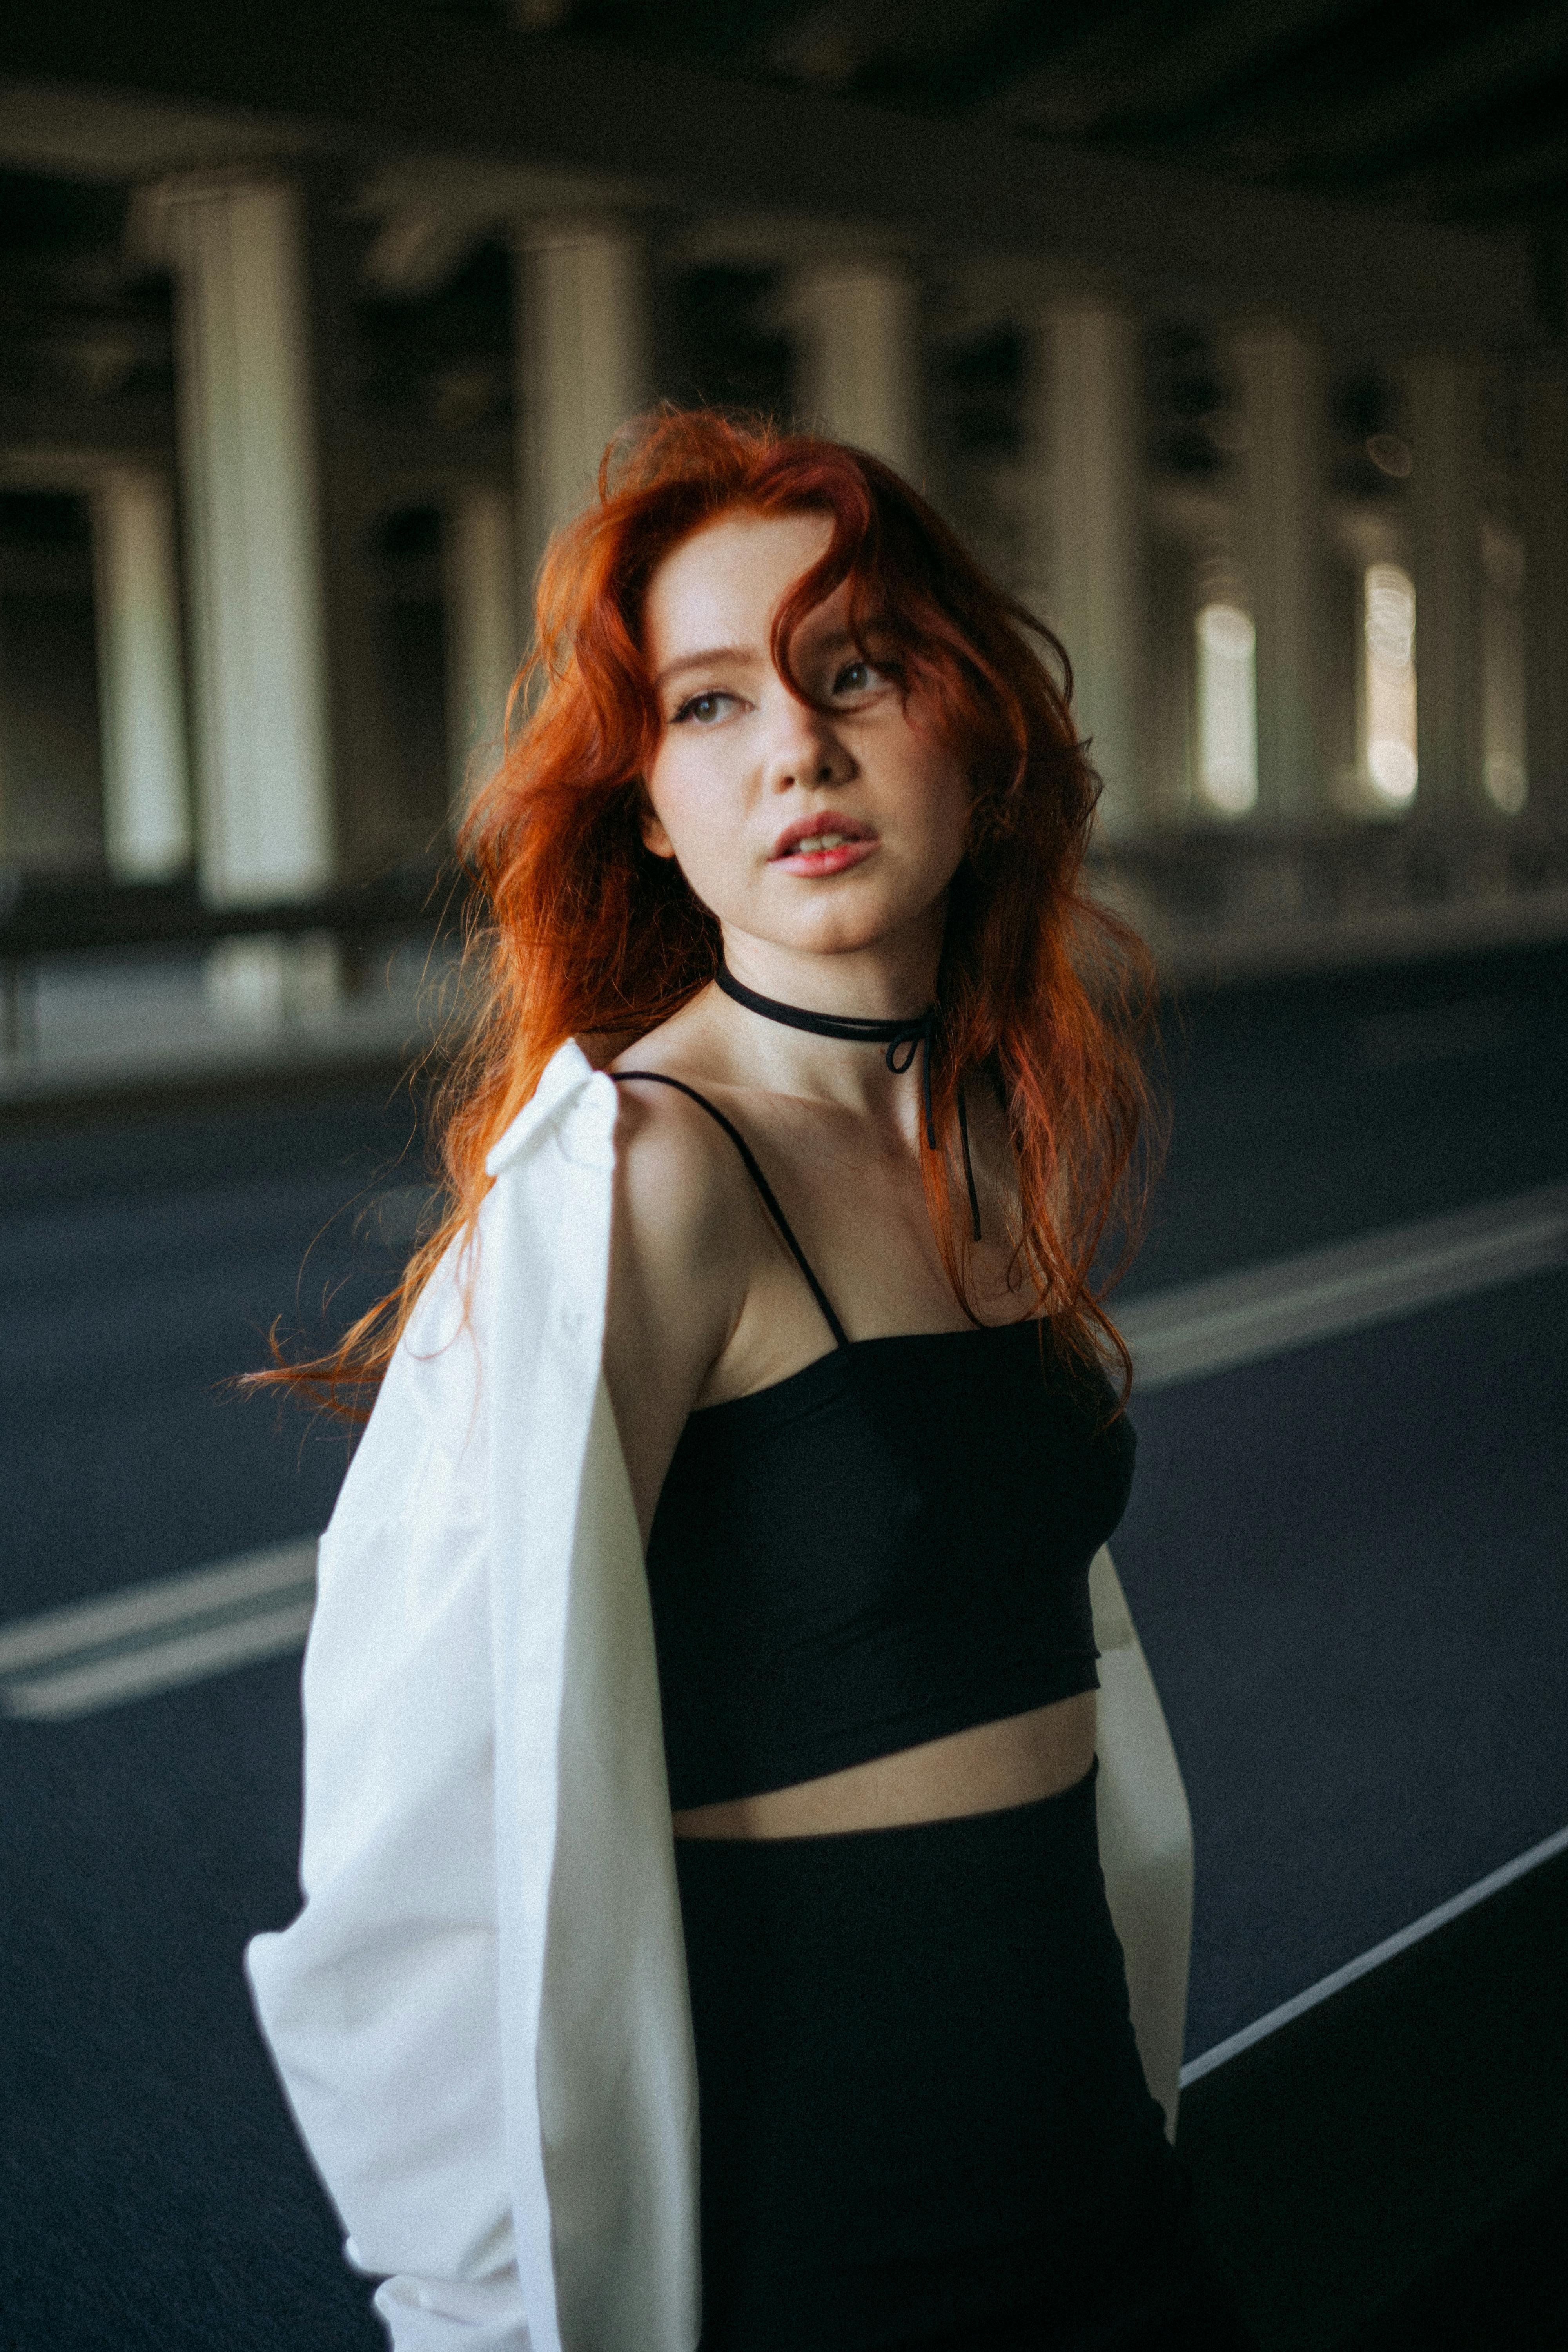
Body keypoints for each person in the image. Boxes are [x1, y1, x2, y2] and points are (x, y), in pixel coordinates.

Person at [247, 410, 1250, 2352]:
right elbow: (419, 1830)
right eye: (706, 706)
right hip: (840, 2233)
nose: (793, 744)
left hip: (1097, 2173)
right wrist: (470, 2318)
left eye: (852, 668)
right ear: (644, 805)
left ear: (973, 719)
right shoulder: (641, 1180)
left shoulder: (970, 1129)